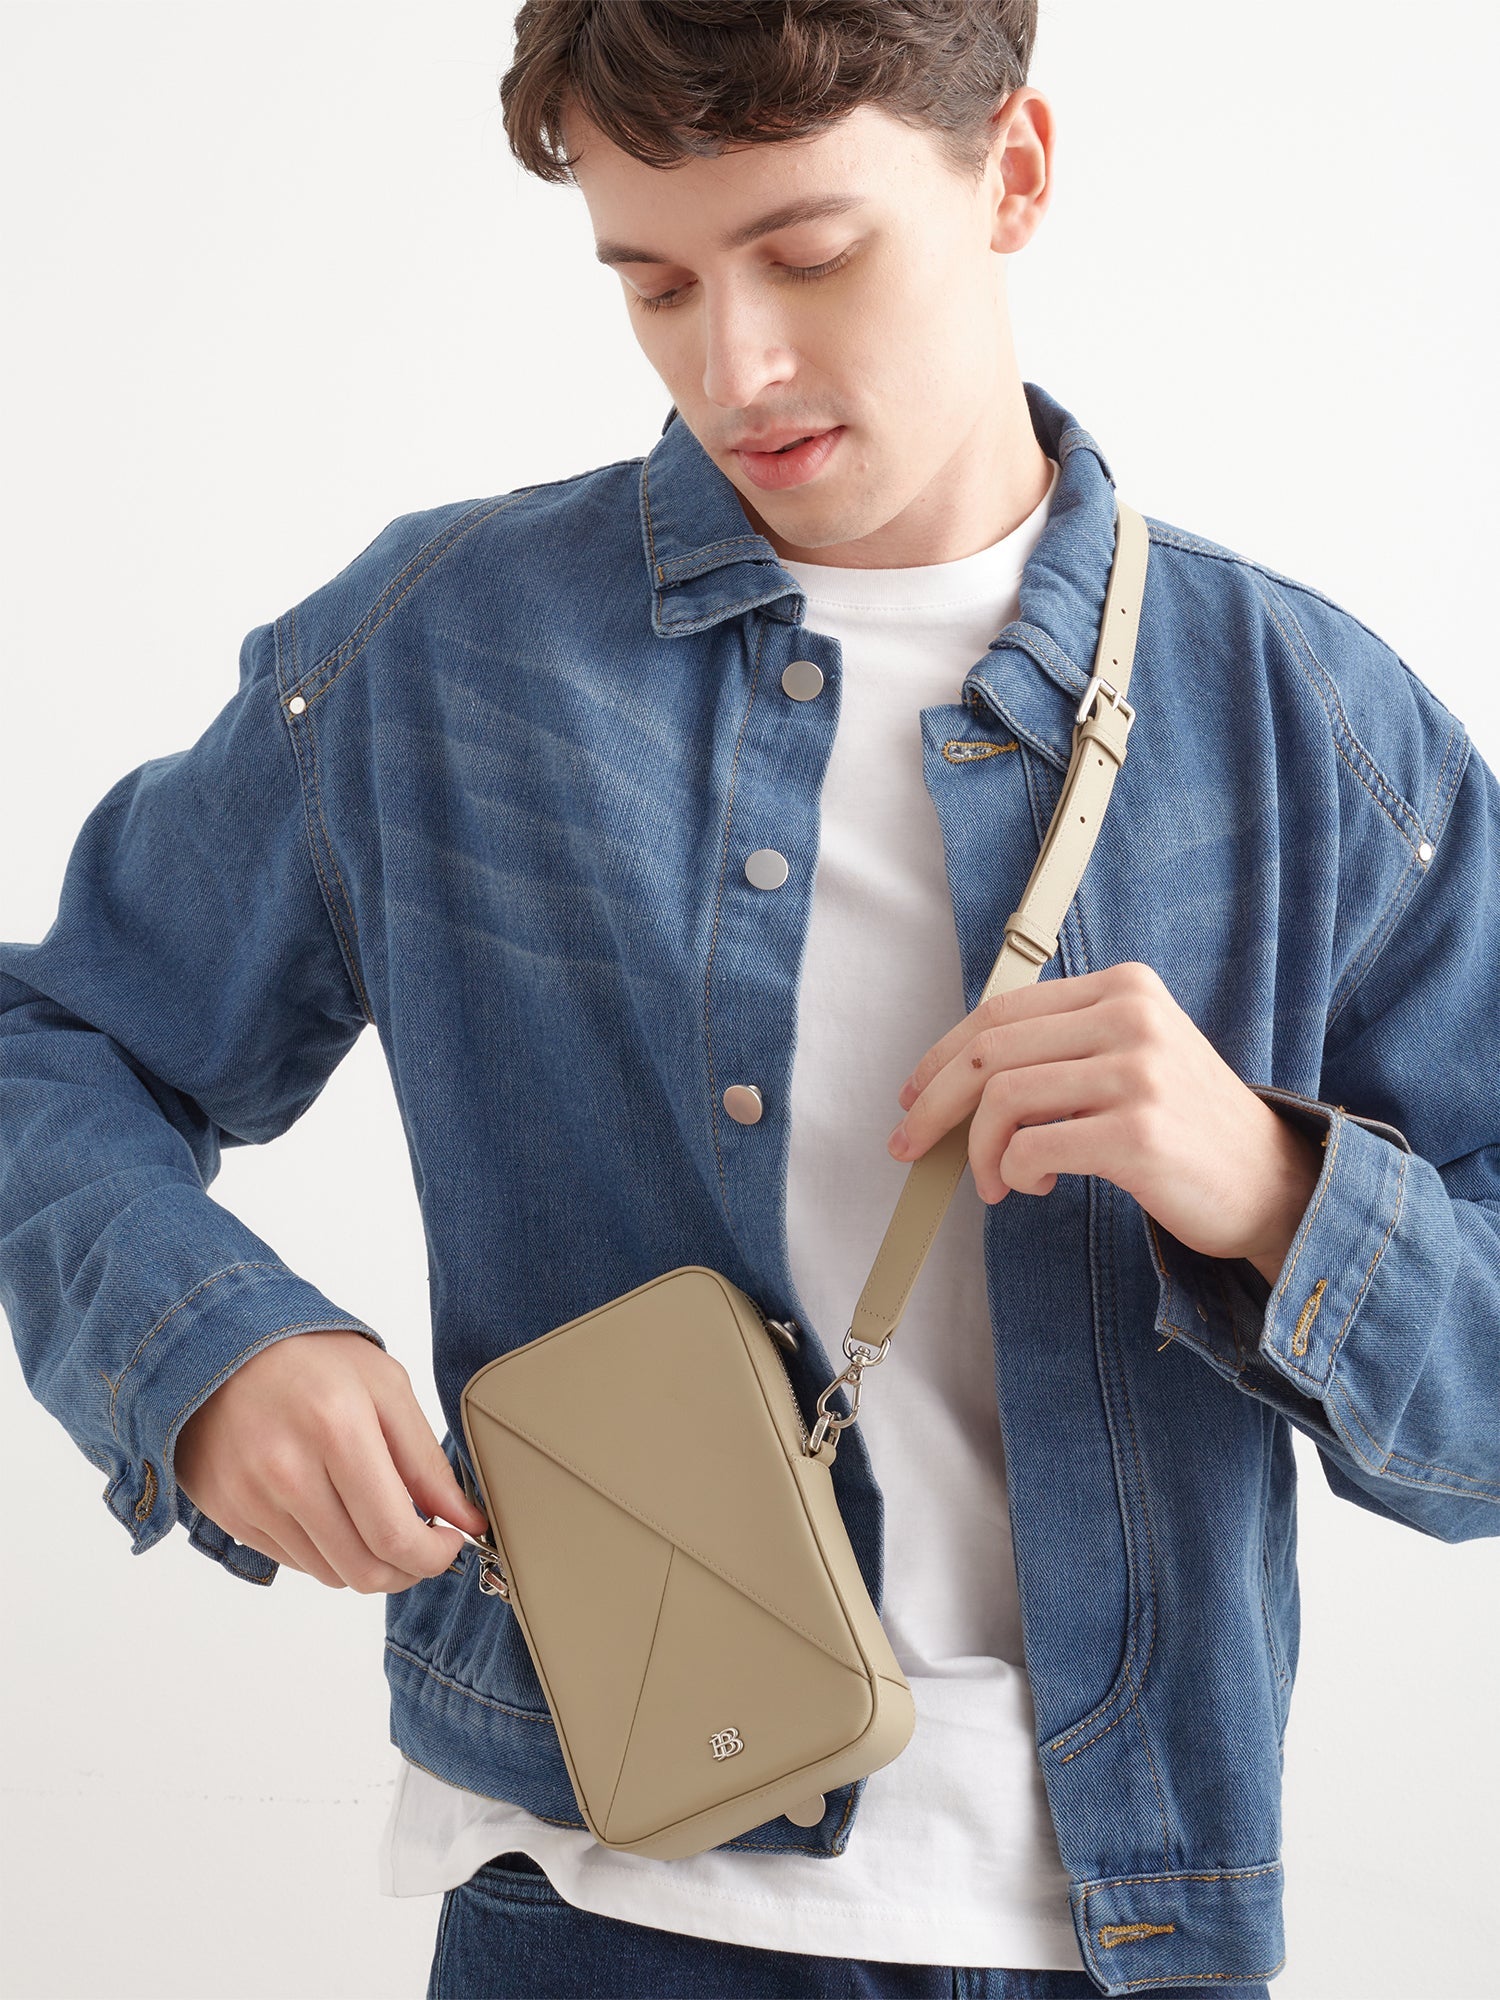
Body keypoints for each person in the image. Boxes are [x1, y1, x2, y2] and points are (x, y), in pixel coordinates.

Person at [2, 2, 1496, 1996]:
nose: (737, 368)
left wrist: (1277, 1187)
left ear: (1013, 172)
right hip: (595, 1899)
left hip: (1121, 1926)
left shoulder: (1318, 732)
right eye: (655, 285)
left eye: (810, 255)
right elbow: (54, 1046)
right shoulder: (442, 654)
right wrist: (206, 1352)